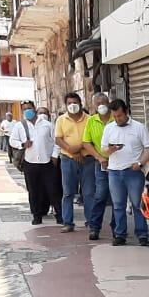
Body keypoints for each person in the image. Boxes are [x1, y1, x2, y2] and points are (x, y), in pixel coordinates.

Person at [100, 99, 149, 247]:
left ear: (126, 112)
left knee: (137, 204)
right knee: (118, 204)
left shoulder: (139, 127)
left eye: (120, 116)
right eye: (114, 116)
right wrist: (110, 150)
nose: (117, 119)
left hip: (133, 171)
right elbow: (103, 149)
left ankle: (142, 234)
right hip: (114, 171)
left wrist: (140, 163)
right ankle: (120, 234)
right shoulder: (109, 128)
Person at [9, 100, 61, 226]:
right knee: (33, 191)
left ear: (34, 108)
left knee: (53, 189)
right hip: (30, 162)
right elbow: (12, 141)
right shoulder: (20, 126)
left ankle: (60, 215)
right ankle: (37, 216)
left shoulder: (47, 125)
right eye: (24, 109)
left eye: (29, 108)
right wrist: (22, 144)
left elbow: (56, 141)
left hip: (47, 162)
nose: (27, 111)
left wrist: (55, 156)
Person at [56, 92, 97, 236]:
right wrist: (71, 150)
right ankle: (68, 223)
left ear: (80, 103)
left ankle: (91, 222)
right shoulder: (61, 120)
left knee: (89, 193)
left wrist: (79, 149)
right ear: (65, 105)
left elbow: (93, 139)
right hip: (68, 159)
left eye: (75, 102)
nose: (72, 105)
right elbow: (58, 139)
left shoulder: (90, 119)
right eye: (69, 103)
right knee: (68, 192)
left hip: (88, 160)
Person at [80, 92, 112, 240]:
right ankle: (94, 227)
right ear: (93, 106)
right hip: (101, 164)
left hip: (118, 164)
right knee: (100, 195)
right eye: (98, 103)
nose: (101, 106)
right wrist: (99, 157)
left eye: (103, 102)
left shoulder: (115, 118)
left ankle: (117, 229)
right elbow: (86, 142)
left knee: (117, 199)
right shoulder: (91, 121)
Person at [36, 106, 65, 223]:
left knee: (55, 187)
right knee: (40, 188)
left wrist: (55, 156)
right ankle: (42, 209)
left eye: (44, 113)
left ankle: (58, 212)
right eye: (40, 113)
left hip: (52, 161)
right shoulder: (33, 127)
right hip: (37, 162)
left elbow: (57, 142)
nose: (42, 115)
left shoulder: (51, 126)